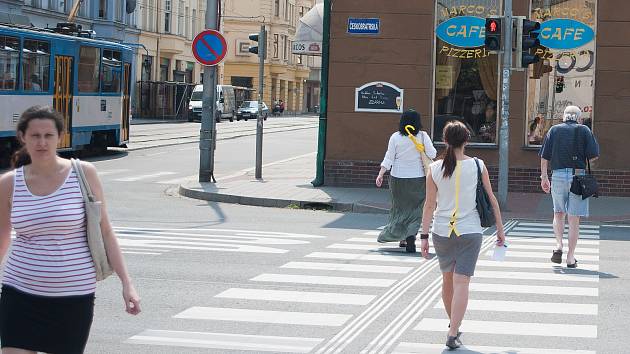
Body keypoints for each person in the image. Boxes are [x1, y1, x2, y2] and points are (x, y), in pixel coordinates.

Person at [0, 106, 141, 354]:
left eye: (48, 135)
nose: (42, 142)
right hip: (19, 293)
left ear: (60, 136)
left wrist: (127, 283)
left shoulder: (83, 174)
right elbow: (2, 235)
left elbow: (106, 231)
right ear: (23, 137)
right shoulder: (9, 183)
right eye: (35, 136)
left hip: (73, 297)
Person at [420, 121, 505, 349]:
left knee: (448, 279)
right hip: (470, 230)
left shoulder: (434, 169)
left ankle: (452, 326)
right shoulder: (478, 165)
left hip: (441, 231)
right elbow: (491, 199)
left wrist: (424, 236)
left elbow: (429, 205)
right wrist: (500, 229)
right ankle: (454, 331)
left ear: (445, 141)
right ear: (467, 140)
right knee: (462, 282)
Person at [539, 105, 599, 268]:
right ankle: (570, 258)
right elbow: (593, 156)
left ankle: (559, 245)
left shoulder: (554, 130)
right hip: (578, 176)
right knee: (574, 218)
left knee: (558, 213)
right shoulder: (584, 130)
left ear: (564, 117)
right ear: (579, 118)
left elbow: (544, 157)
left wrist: (544, 177)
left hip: (557, 174)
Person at [376, 109, 437, 253]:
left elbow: (389, 158)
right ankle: (410, 236)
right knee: (417, 210)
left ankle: (402, 238)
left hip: (398, 179)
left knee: (400, 209)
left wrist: (381, 174)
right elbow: (433, 153)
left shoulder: (395, 137)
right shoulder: (422, 136)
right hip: (418, 179)